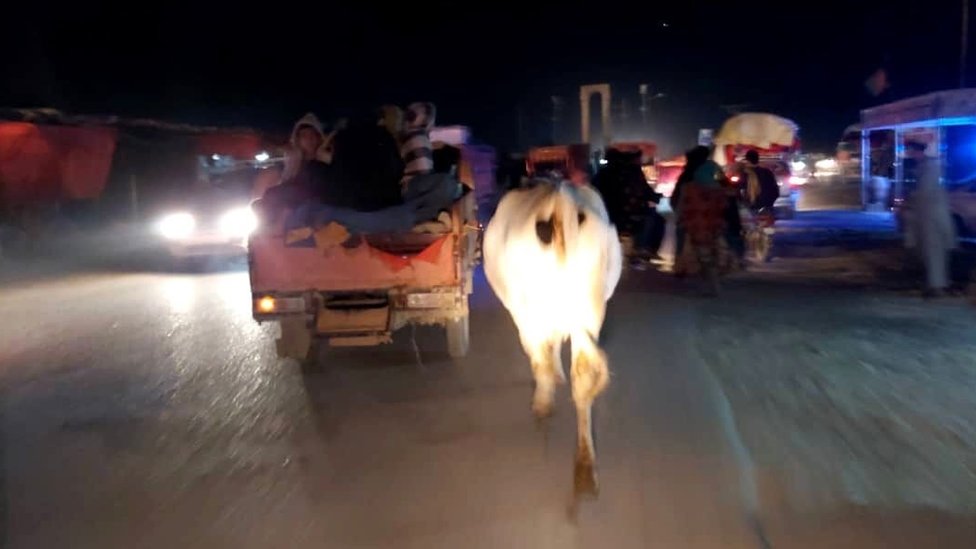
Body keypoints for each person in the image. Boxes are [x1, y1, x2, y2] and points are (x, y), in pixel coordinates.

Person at [904, 141, 956, 298]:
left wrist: (911, 199)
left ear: (917, 151)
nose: (909, 154)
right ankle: (937, 284)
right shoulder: (923, 167)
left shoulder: (931, 167)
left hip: (933, 216)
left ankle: (937, 286)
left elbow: (925, 192)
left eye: (910, 151)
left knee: (934, 252)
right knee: (930, 252)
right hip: (928, 216)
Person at [592, 149, 661, 267]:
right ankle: (641, 249)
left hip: (607, 214)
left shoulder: (602, 173)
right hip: (626, 215)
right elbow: (644, 191)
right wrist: (655, 197)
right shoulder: (632, 173)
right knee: (654, 219)